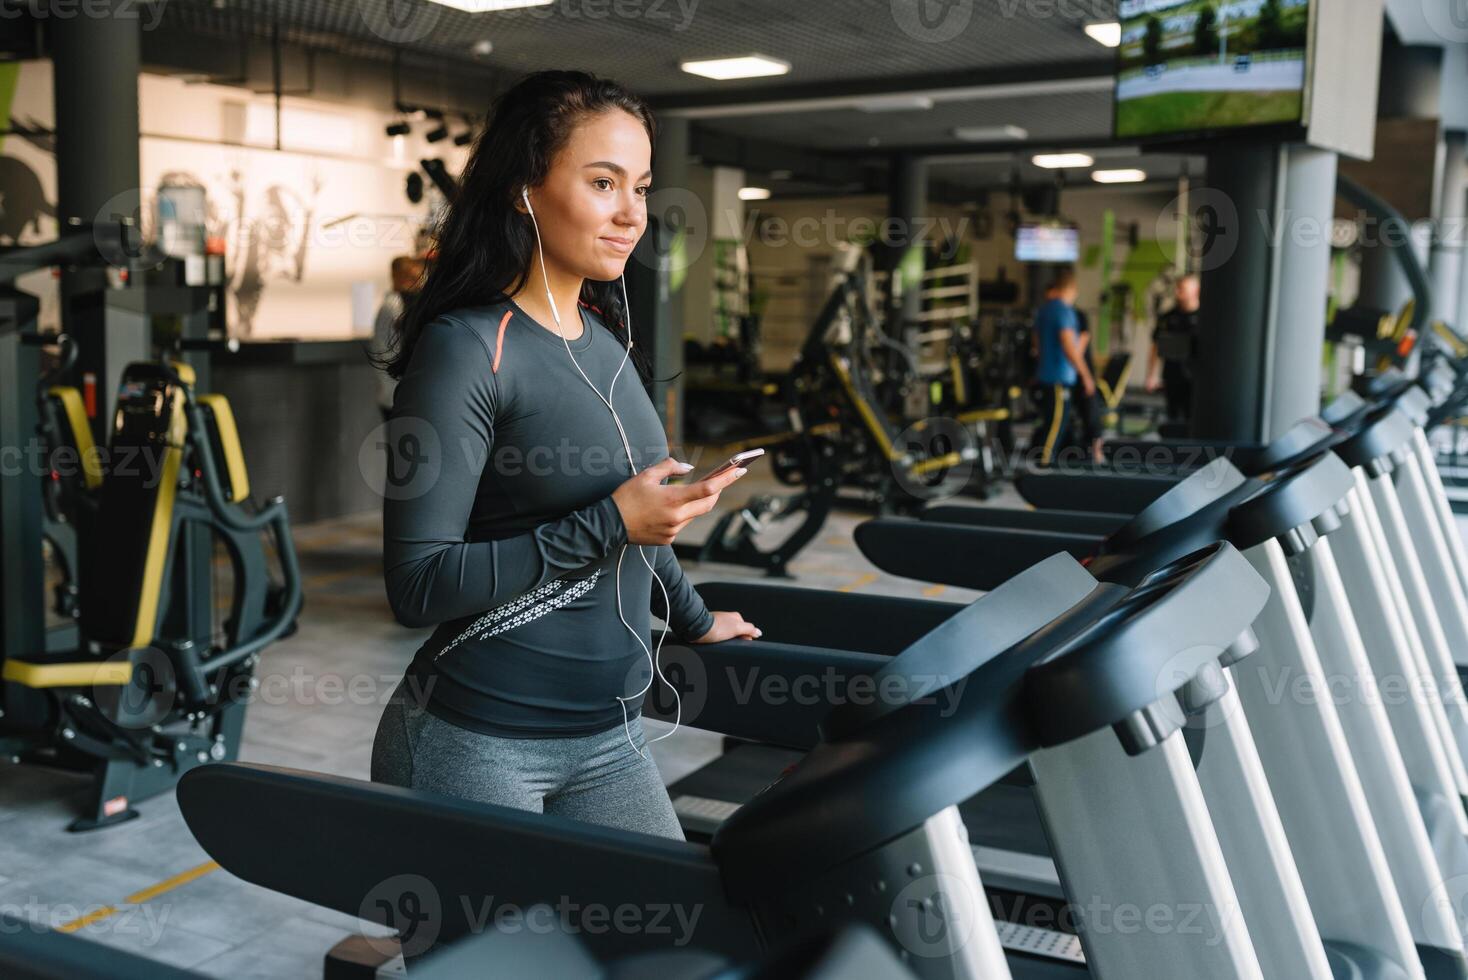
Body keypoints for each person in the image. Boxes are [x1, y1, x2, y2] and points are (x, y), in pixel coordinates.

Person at [370, 71, 760, 842]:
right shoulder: (468, 349)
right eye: (603, 182)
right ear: (526, 190)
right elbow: (416, 587)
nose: (631, 214)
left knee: (668, 950)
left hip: (608, 738)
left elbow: (637, 520)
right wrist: (612, 520)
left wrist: (693, 617)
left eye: (641, 188)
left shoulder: (605, 338)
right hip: (476, 739)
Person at [1030, 268, 1095, 467]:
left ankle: (1047, 461)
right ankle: (1043, 464)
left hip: (1047, 375)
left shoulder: (1044, 310)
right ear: (1071, 289)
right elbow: (1069, 346)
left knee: (1055, 422)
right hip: (1059, 377)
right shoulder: (1064, 311)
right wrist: (1086, 375)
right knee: (1055, 425)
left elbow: (1036, 344)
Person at [370, 256, 424, 419]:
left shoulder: (396, 306)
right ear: (397, 277)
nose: (417, 284)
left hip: (395, 393)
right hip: (397, 394)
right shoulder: (394, 308)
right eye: (412, 278)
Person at [1146, 273, 1200, 424]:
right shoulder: (1168, 317)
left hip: (1196, 380)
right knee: (1173, 418)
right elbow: (1156, 346)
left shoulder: (1205, 318)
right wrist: (1151, 375)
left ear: (1195, 291)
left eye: (1182, 289)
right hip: (1172, 377)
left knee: (1193, 418)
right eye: (1177, 288)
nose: (1177, 293)